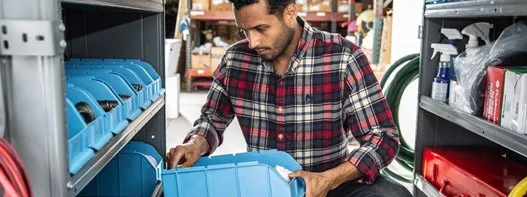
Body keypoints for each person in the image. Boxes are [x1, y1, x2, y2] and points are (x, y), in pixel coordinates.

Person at [167, 0, 412, 196]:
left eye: (261, 29)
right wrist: (196, 144)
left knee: (394, 194)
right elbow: (213, 118)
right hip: (263, 185)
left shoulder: (343, 57)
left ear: (290, 13)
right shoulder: (235, 61)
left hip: (331, 185)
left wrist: (328, 179)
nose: (252, 42)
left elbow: (382, 138)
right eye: (244, 31)